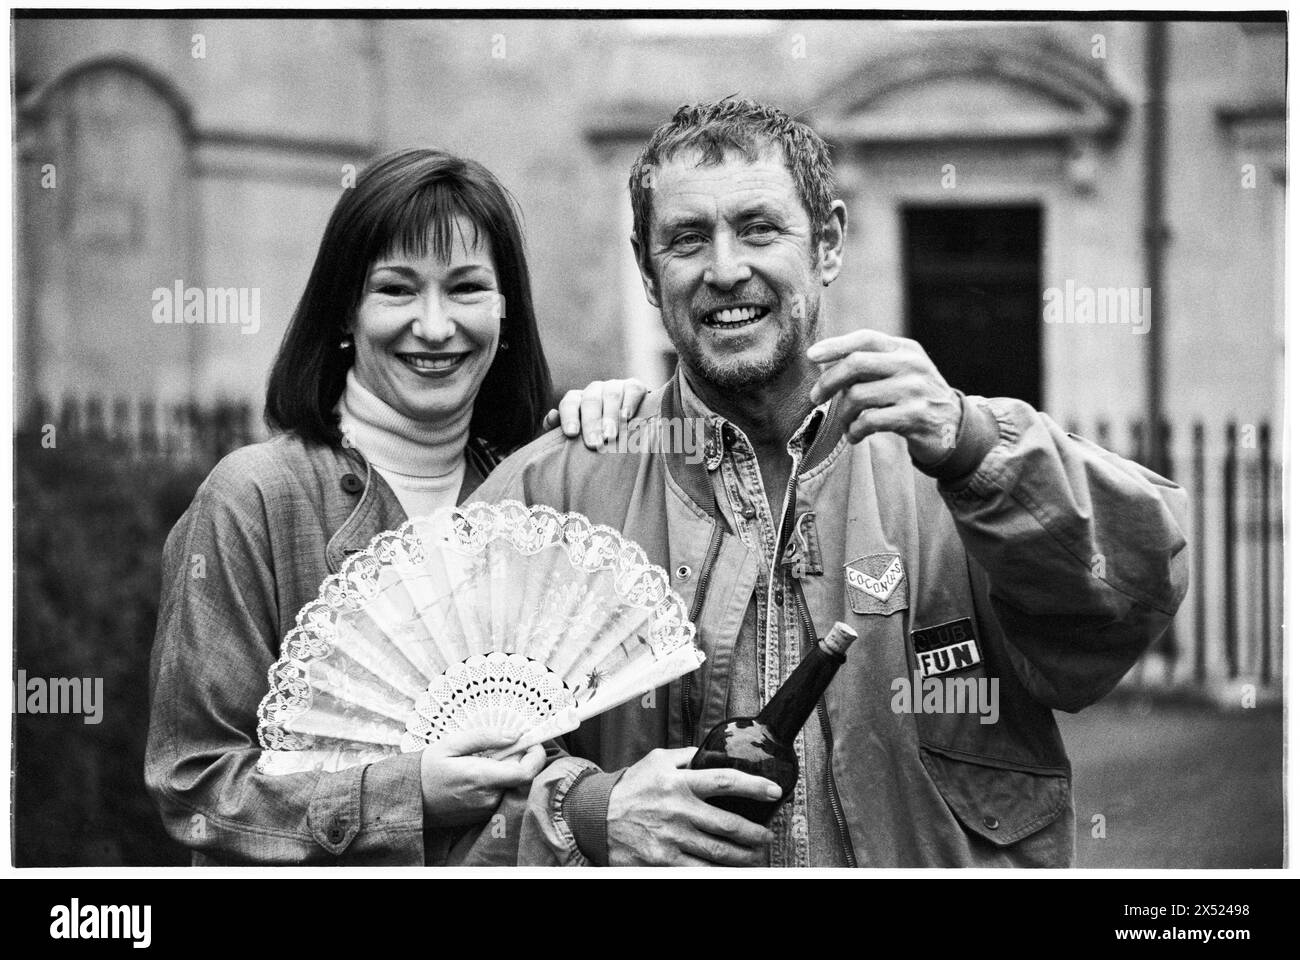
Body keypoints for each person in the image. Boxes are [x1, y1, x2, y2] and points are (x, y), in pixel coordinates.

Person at [467, 98, 1190, 867]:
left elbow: (1126, 601)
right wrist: (586, 810)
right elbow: (432, 782)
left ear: (829, 243)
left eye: (759, 228)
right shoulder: (560, 490)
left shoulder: (955, 466)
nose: (725, 269)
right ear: (648, 273)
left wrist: (977, 451)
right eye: (686, 240)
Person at [145, 148, 646, 864]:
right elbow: (193, 786)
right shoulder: (251, 500)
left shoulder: (540, 495)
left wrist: (639, 428)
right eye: (398, 289)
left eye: (467, 287)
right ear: (346, 312)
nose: (436, 326)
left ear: (505, 312)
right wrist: (404, 792)